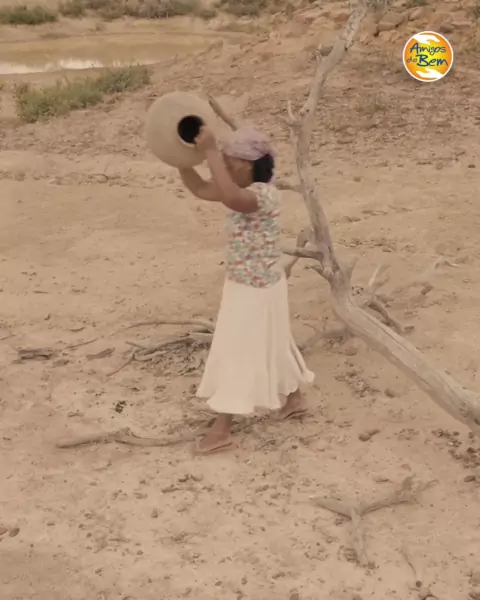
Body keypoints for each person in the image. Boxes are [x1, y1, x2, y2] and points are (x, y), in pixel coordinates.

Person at [179, 125, 314, 455]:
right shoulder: (242, 189)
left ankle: (222, 428)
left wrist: (211, 152)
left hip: (254, 288)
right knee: (274, 342)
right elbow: (200, 188)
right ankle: (293, 398)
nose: (224, 169)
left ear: (250, 164)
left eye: (230, 164)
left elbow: (232, 198)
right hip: (259, 283)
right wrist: (180, 159)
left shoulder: (263, 195)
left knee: (237, 351)